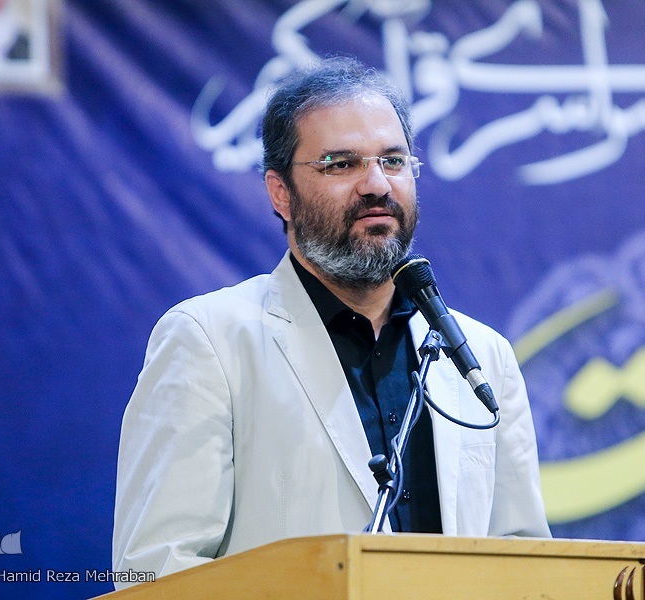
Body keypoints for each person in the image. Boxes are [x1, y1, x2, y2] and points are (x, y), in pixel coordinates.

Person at [112, 56, 550, 588]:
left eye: (393, 161)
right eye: (341, 165)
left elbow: (526, 566)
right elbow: (157, 573)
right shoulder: (210, 340)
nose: (377, 185)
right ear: (281, 193)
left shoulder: (482, 356)